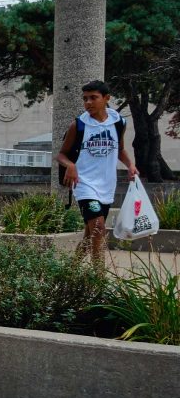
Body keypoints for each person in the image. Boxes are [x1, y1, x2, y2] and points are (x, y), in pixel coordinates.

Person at [56, 80, 139, 263]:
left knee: (90, 235)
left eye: (93, 98)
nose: (88, 103)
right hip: (84, 184)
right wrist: (71, 165)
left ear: (106, 98)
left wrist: (130, 165)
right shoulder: (78, 125)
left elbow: (120, 150)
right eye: (85, 99)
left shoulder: (118, 123)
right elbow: (61, 154)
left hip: (107, 186)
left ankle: (70, 271)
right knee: (99, 229)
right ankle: (98, 281)